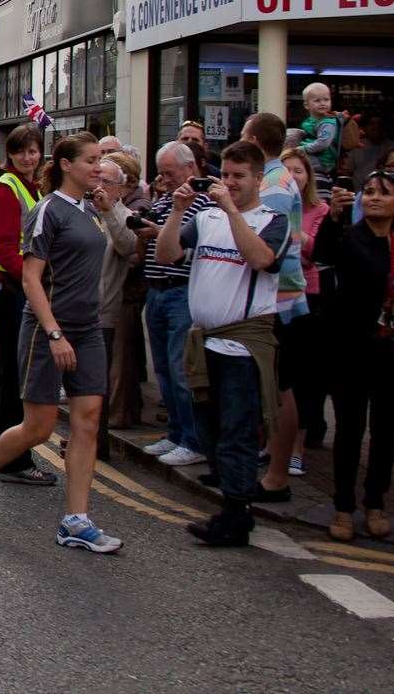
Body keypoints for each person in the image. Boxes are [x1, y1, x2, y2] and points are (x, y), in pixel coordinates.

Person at [0, 133, 119, 551]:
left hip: (88, 327)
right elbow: (30, 276)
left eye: (101, 160)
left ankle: (76, 520)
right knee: (38, 426)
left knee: (87, 422)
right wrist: (54, 332)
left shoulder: (92, 209)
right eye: (91, 160)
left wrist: (109, 210)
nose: (98, 167)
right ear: (67, 165)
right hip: (50, 328)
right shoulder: (48, 211)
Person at [161, 141, 289, 548]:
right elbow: (166, 255)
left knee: (236, 429)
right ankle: (233, 503)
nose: (230, 183)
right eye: (226, 175)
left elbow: (261, 259)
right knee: (208, 427)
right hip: (203, 343)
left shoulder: (273, 219)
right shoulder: (206, 219)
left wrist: (232, 210)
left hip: (242, 344)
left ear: (257, 179)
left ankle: (236, 514)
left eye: (239, 177)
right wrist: (180, 210)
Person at [318, 171, 394, 541]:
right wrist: (333, 216)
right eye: (369, 192)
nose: (374, 198)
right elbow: (323, 254)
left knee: (385, 432)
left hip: (393, 351)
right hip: (352, 350)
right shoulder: (349, 238)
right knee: (349, 430)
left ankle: (375, 502)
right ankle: (343, 507)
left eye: (384, 193)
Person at [0, 126, 57, 485]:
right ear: (11, 155)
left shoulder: (29, 186)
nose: (28, 157)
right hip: (7, 288)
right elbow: (6, 249)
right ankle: (13, 459)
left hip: (12, 286)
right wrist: (37, 282)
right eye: (21, 151)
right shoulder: (5, 189)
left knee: (9, 376)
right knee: (17, 376)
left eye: (33, 151)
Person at [242, 113, 309, 499]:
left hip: (279, 300)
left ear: (252, 139)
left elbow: (269, 247)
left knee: (279, 387)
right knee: (268, 385)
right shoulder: (272, 179)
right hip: (271, 298)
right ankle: (267, 461)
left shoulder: (276, 185)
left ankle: (278, 475)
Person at [132, 141, 210, 467]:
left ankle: (194, 440)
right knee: (163, 369)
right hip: (156, 289)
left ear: (190, 168)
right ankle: (177, 434)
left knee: (181, 371)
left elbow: (188, 242)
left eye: (169, 172)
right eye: (161, 173)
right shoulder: (165, 200)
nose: (163, 179)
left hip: (181, 291)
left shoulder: (204, 204)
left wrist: (158, 230)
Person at [279, 148, 332, 455]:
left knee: (304, 376)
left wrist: (290, 224)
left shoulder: (319, 210)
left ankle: (300, 443)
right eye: (287, 170)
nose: (293, 176)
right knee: (281, 376)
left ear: (308, 176)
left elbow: (313, 253)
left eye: (299, 171)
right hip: (276, 297)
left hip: (308, 297)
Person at [95, 153, 142, 443]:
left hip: (104, 312)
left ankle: (96, 441)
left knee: (98, 383)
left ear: (121, 188)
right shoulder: (84, 210)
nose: (99, 185)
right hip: (75, 309)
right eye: (96, 178)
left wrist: (109, 212)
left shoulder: (124, 216)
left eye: (106, 181)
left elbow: (130, 248)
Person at [298, 82, 345, 186]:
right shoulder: (310, 121)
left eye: (326, 99)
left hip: (323, 162)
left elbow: (323, 144)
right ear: (306, 105)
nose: (323, 103)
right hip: (314, 157)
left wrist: (303, 148)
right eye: (317, 100)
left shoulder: (328, 122)